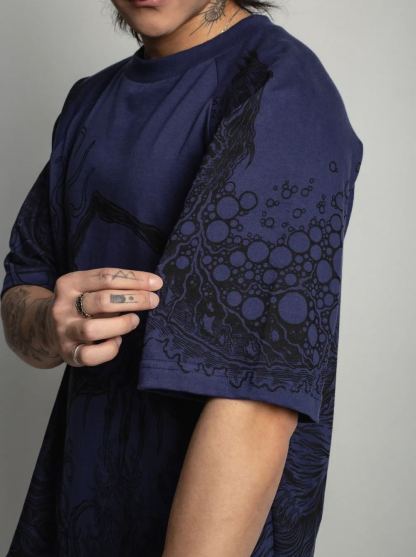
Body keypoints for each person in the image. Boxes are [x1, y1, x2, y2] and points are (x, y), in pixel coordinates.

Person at [0, 1, 364, 555]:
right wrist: (51, 325)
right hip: (73, 518)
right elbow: (24, 287)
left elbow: (256, 401)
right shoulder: (90, 100)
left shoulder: (281, 88)